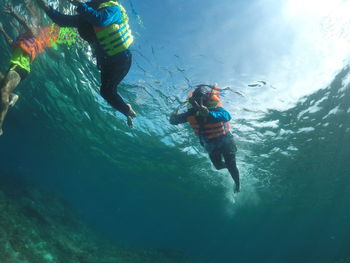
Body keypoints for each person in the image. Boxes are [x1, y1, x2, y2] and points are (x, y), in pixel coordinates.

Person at [35, 0, 137, 127]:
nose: (89, 2)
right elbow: (62, 20)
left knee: (108, 91)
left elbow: (101, 20)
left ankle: (126, 110)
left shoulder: (113, 9)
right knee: (106, 92)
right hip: (106, 63)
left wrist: (80, 4)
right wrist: (45, 7)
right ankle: (126, 110)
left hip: (121, 60)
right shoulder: (83, 18)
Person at [0, 3, 62, 136]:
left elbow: (26, 24)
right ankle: (12, 96)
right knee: (4, 89)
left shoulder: (34, 35)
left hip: (21, 68)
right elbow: (12, 44)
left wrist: (13, 13)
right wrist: (2, 29)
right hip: (14, 65)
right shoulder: (23, 38)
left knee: (3, 90)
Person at [169, 85, 240, 193]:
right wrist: (172, 118)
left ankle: (237, 184)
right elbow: (174, 121)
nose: (199, 102)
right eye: (196, 100)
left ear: (207, 98)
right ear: (192, 101)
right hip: (210, 144)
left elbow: (227, 116)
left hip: (225, 140)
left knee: (231, 165)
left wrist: (208, 113)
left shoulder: (215, 107)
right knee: (218, 166)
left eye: (202, 99)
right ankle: (229, 166)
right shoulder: (191, 113)